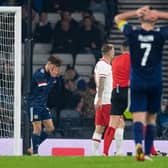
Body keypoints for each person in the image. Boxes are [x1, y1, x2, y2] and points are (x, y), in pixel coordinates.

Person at [114, 6, 168, 161]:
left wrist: (135, 12)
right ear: (154, 19)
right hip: (155, 82)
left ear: (139, 18)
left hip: (137, 82)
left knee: (138, 118)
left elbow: (117, 18)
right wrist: (159, 14)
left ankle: (138, 148)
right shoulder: (159, 34)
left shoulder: (132, 33)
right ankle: (148, 153)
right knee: (151, 119)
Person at [27, 55, 62, 155]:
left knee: (50, 129)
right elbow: (45, 90)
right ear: (50, 65)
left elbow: (53, 90)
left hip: (43, 105)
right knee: (37, 128)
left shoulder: (50, 75)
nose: (57, 71)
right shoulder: (39, 74)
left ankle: (32, 147)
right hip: (34, 104)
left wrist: (54, 79)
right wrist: (52, 79)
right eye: (56, 68)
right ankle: (35, 152)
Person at [103, 41, 130, 156]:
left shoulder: (115, 60)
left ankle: (105, 152)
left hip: (116, 92)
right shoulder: (134, 59)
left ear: (121, 48)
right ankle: (150, 152)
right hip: (129, 92)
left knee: (112, 124)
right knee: (141, 121)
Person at [91, 43, 114, 155]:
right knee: (119, 124)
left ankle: (95, 154)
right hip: (105, 100)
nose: (114, 52)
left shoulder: (101, 64)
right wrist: (100, 98)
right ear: (109, 52)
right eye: (113, 50)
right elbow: (102, 83)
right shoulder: (104, 65)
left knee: (99, 128)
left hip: (103, 100)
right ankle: (117, 152)